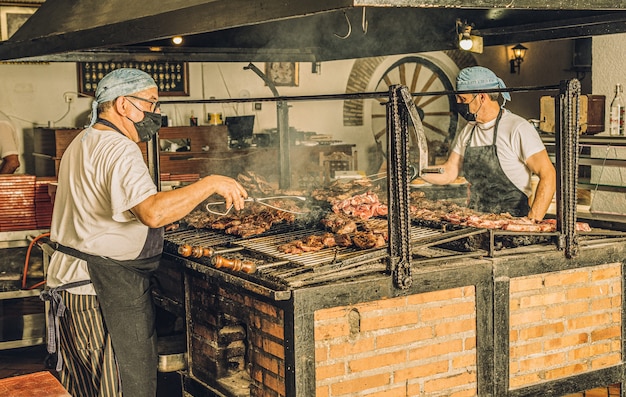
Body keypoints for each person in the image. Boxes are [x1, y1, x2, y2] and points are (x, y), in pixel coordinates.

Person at [44, 68, 248, 397]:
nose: (157, 113)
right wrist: (210, 183)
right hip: (100, 295)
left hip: (71, 292)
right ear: (123, 104)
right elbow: (151, 212)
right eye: (152, 103)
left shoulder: (83, 141)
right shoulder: (119, 148)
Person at [420, 66, 556, 220]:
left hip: (511, 221)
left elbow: (549, 175)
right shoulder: (469, 130)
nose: (458, 103)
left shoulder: (517, 128)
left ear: (482, 97)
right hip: (475, 218)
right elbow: (449, 172)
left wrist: (531, 221)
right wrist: (417, 171)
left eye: (463, 99)